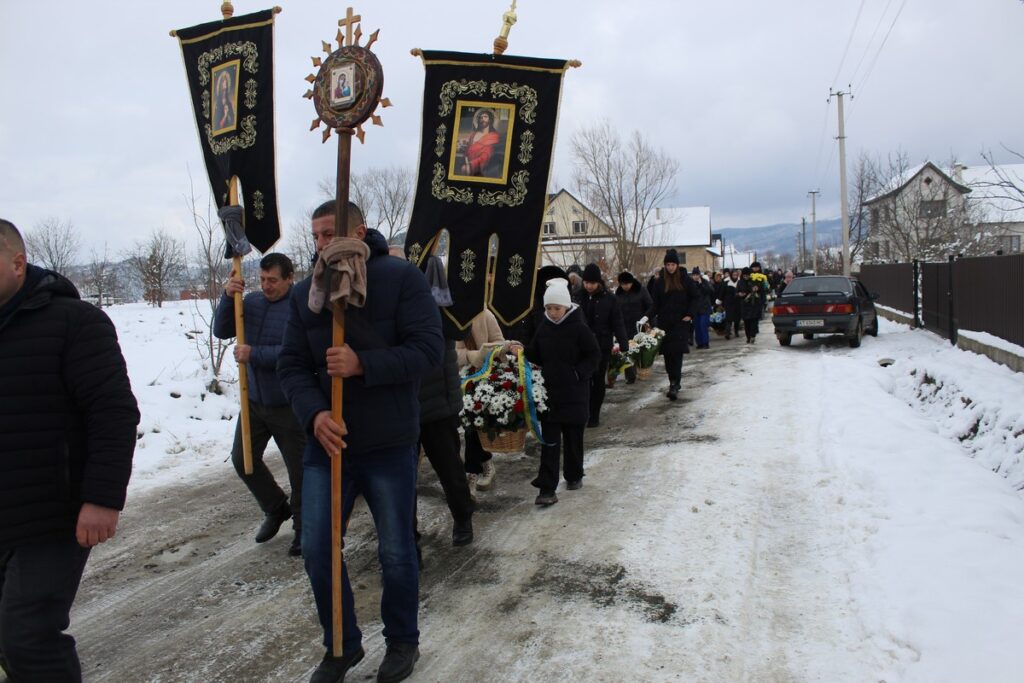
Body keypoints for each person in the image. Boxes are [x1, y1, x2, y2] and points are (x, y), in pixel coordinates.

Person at [277, 200, 443, 683]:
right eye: (316, 236)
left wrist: (363, 364)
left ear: (359, 231)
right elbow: (291, 365)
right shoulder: (307, 292)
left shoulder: (399, 278)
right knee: (317, 548)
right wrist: (315, 413)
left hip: (389, 440)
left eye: (331, 233)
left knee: (395, 549)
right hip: (327, 442)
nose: (324, 244)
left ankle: (402, 641)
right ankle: (342, 644)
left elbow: (428, 349)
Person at [0, 219, 140, 681]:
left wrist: (101, 498)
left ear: (18, 263)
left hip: (53, 512)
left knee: (28, 634)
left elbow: (114, 411)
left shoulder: (74, 323)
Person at [214, 253, 306, 556]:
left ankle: (304, 529)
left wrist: (255, 354)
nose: (266, 286)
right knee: (243, 461)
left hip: (287, 403)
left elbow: (297, 353)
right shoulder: (250, 303)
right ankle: (275, 507)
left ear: (289, 278)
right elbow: (222, 329)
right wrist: (229, 297)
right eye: (262, 280)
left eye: (273, 280)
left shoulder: (300, 306)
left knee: (300, 471)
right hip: (252, 399)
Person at [522, 278, 600, 506]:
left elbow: (594, 355)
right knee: (550, 443)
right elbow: (535, 353)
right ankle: (547, 488)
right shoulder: (544, 327)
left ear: (566, 306)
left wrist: (578, 374)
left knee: (574, 439)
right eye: (548, 308)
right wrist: (522, 351)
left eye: (556, 308)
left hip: (575, 395)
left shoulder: (579, 327)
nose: (553, 313)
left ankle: (574, 475)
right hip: (551, 397)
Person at [456, 309, 507, 498]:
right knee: (469, 425)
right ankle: (484, 462)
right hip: (458, 378)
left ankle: (471, 471)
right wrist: (470, 355)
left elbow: (499, 342)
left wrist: (488, 350)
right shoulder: (450, 317)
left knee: (474, 424)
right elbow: (448, 353)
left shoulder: (485, 315)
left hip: (484, 376)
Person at [574, 263, 628, 427]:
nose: (588, 286)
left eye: (592, 283)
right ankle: (585, 411)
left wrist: (623, 343)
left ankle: (594, 414)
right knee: (583, 379)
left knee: (597, 381)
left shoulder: (610, 299)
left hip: (601, 346)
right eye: (586, 282)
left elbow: (617, 322)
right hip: (581, 347)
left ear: (598, 282)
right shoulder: (577, 297)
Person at [645, 249, 699, 401]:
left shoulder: (684, 279)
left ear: (677, 264)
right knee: (668, 356)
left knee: (677, 354)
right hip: (665, 324)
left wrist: (690, 314)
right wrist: (646, 316)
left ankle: (675, 384)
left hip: (681, 323)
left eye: (673, 264)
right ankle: (673, 381)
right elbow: (655, 304)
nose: (670, 267)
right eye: (668, 264)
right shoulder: (660, 282)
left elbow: (695, 297)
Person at [614, 271, 652, 384]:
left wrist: (648, 320)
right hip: (624, 326)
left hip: (639, 326)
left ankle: (642, 369)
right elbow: (615, 310)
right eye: (623, 284)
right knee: (627, 350)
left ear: (631, 283)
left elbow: (650, 305)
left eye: (627, 284)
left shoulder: (641, 290)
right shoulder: (618, 293)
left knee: (639, 349)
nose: (625, 287)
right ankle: (630, 375)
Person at [458, 109, 500, 176]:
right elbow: (468, 150)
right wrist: (465, 162)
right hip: (466, 164)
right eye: (480, 117)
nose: (482, 118)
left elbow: (487, 154)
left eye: (485, 117)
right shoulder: (473, 135)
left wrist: (471, 165)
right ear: (478, 120)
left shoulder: (494, 136)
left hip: (483, 169)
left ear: (490, 120)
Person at [737, 266, 764, 343]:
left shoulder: (754, 280)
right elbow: (736, 293)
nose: (746, 276)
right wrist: (739, 294)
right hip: (744, 305)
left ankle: (752, 336)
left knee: (754, 321)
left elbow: (761, 290)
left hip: (753, 304)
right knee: (747, 322)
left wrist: (757, 288)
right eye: (744, 275)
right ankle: (748, 337)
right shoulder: (740, 282)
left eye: (747, 275)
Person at [690, 267, 714, 349]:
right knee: (697, 327)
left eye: (697, 275)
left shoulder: (705, 282)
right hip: (695, 309)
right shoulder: (691, 283)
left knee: (703, 325)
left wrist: (701, 284)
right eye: (694, 275)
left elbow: (710, 291)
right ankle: (699, 343)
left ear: (700, 275)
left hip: (705, 308)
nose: (696, 277)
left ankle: (705, 343)